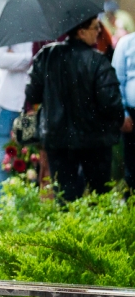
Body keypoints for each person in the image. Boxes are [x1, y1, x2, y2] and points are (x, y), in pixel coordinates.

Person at [26, 16, 124, 202]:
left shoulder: (46, 56)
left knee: (64, 196)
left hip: (58, 139)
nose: (99, 32)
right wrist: (115, 122)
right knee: (99, 196)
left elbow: (32, 95)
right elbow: (111, 103)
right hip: (96, 140)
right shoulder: (98, 62)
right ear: (81, 32)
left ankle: (68, 230)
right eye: (95, 28)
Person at [0, 43, 32, 206]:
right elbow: (1, 60)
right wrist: (30, 58)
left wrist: (15, 57)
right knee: (2, 161)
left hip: (31, 105)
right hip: (8, 103)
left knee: (29, 164)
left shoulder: (42, 26)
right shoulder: (8, 25)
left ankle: (24, 211)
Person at [113, 31, 135, 190]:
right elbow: (116, 81)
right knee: (133, 166)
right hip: (132, 115)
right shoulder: (126, 43)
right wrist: (123, 114)